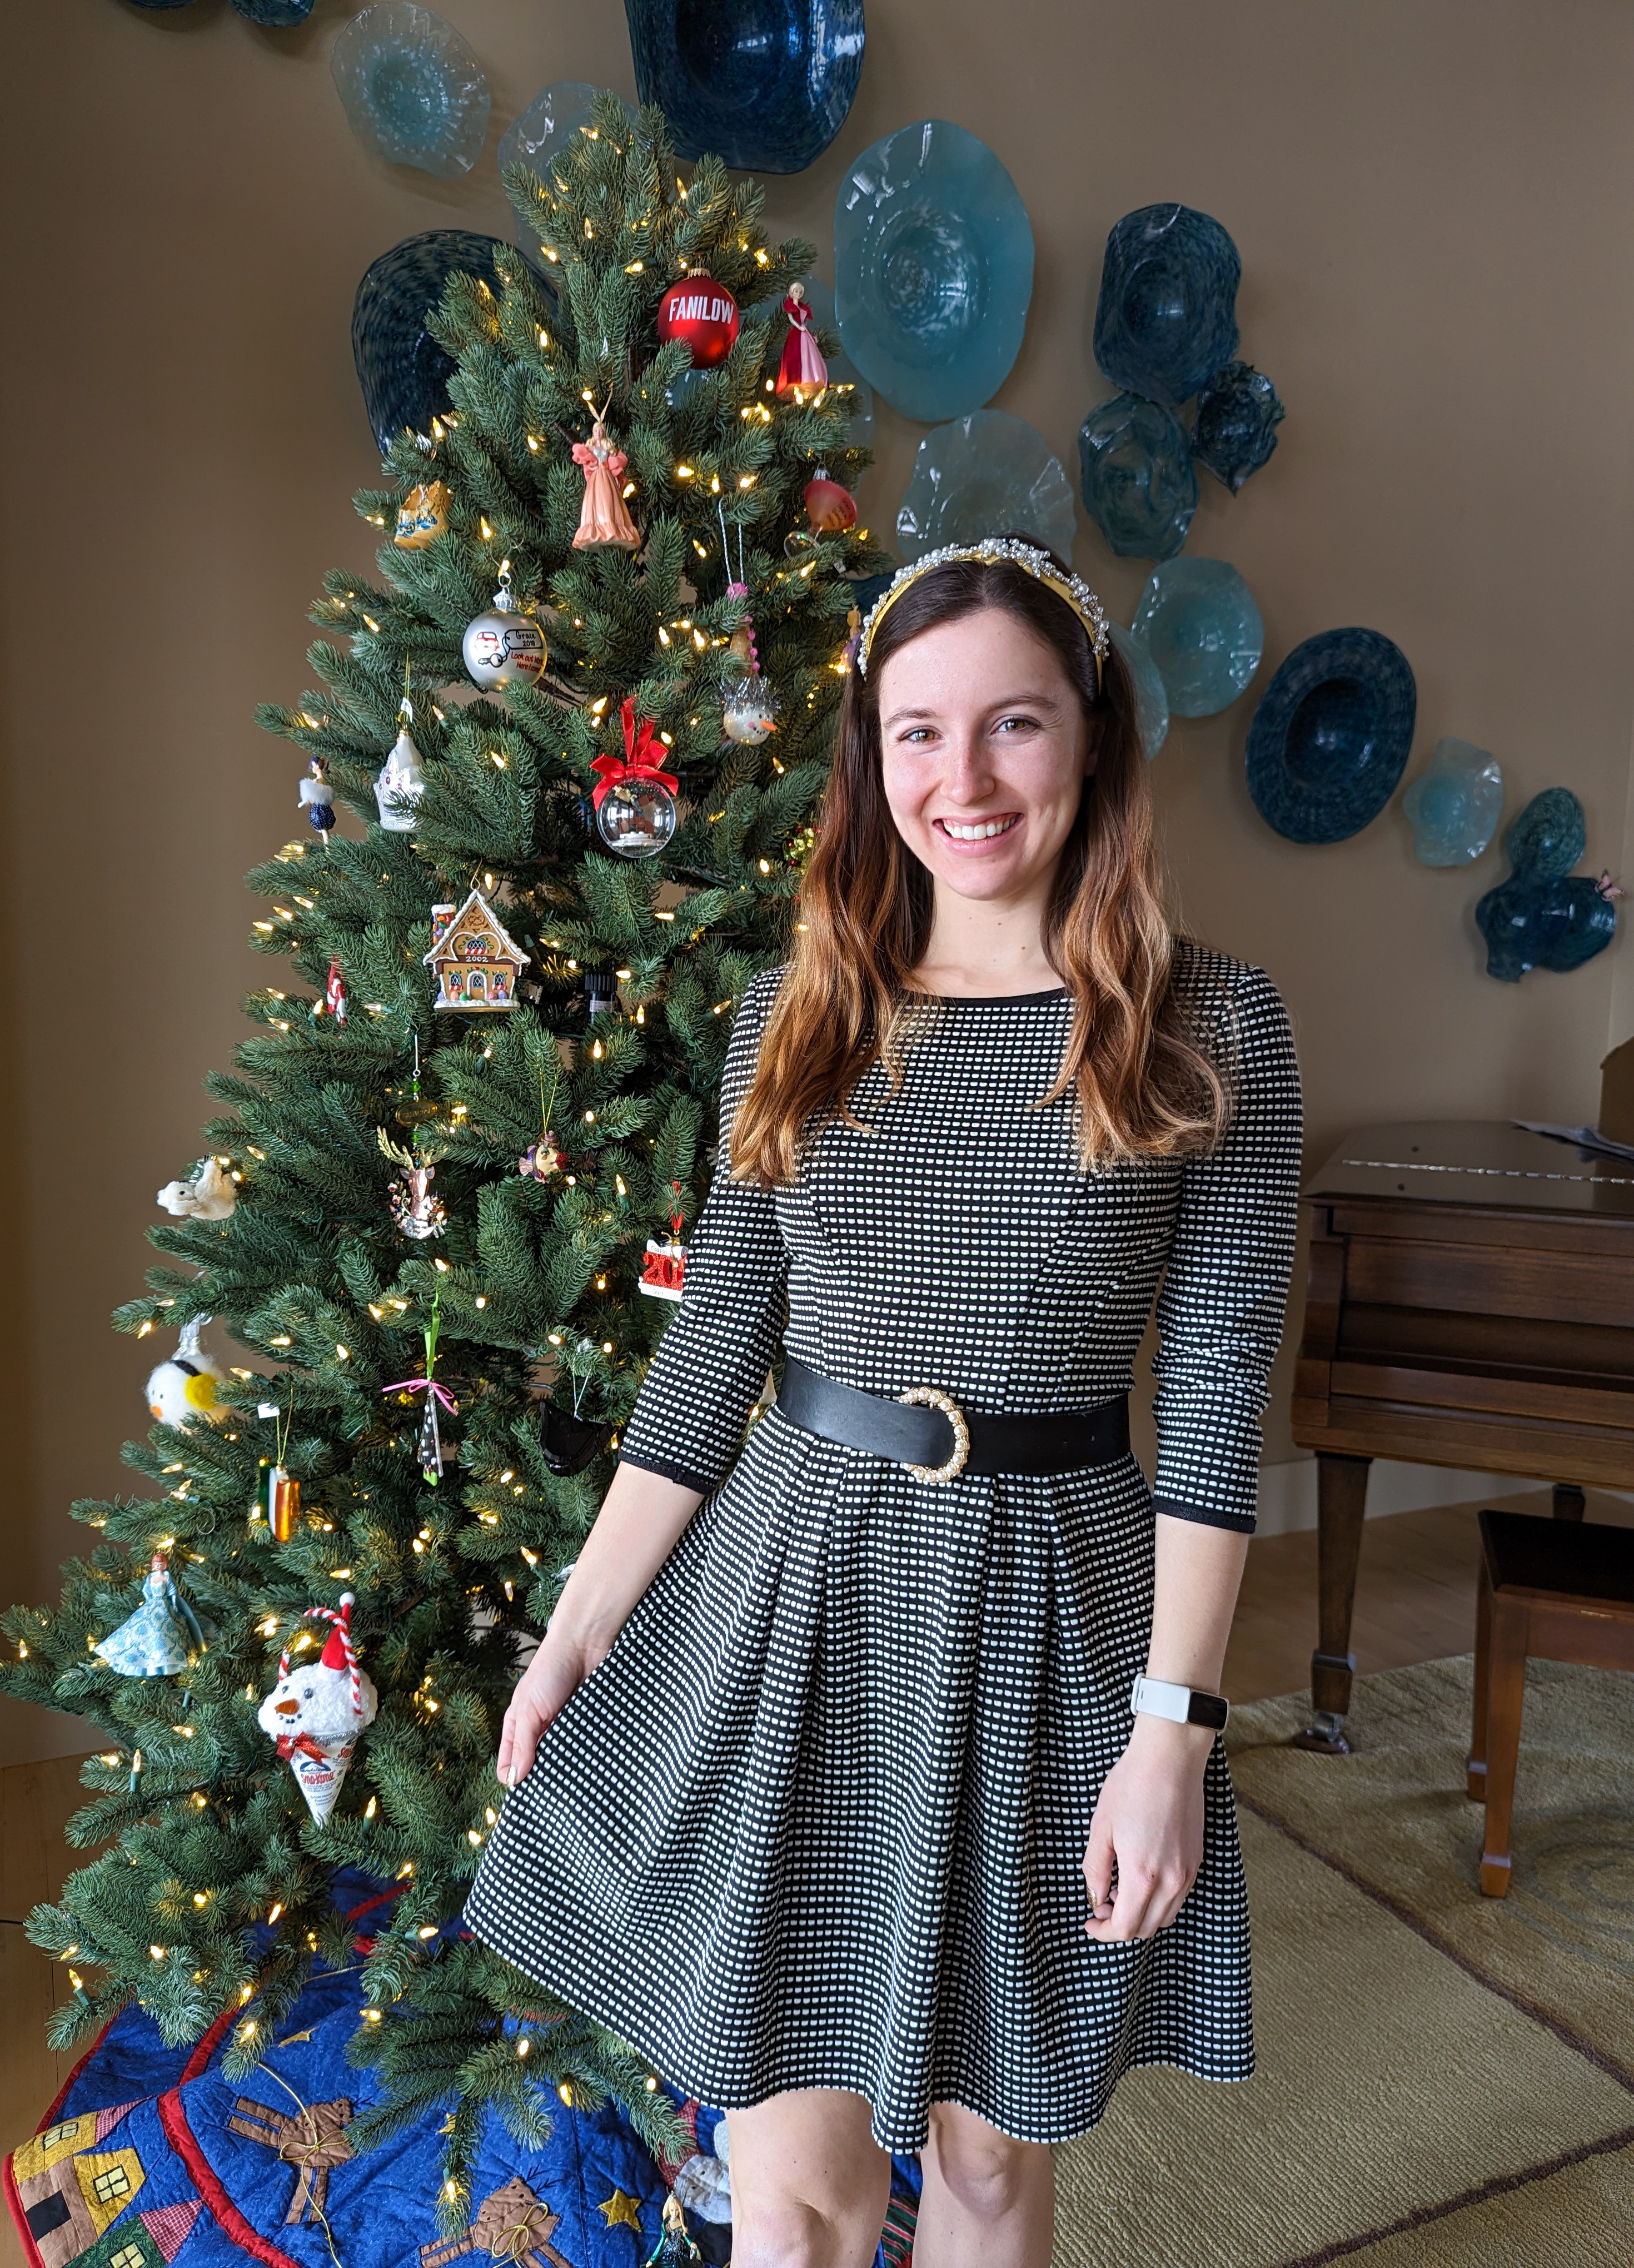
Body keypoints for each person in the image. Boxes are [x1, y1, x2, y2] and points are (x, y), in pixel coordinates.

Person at [465, 536, 1303, 2267]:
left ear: (1092, 738)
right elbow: (708, 1364)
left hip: (1055, 1615)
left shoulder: (1211, 1024)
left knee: (993, 2165)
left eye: (1012, 724)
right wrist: (571, 1637)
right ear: (871, 758)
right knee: (795, 2182)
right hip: (796, 1605)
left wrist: (1175, 1732)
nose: (963, 780)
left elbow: (1217, 1410)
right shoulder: (795, 1012)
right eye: (915, 733)